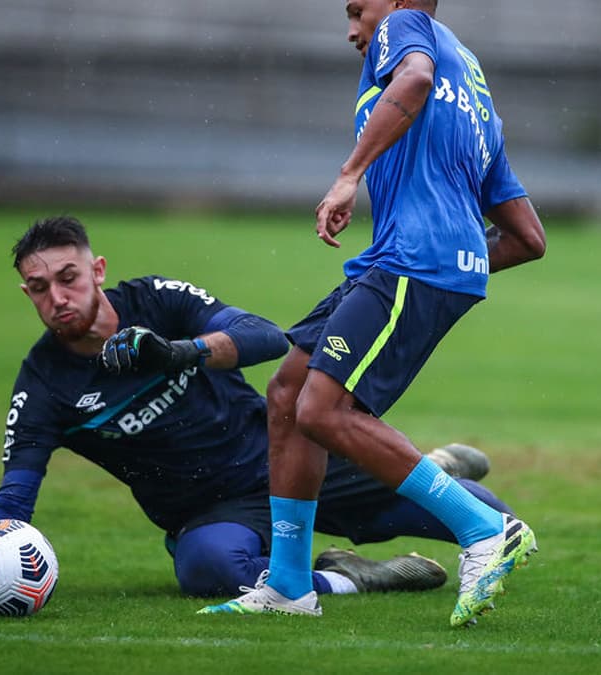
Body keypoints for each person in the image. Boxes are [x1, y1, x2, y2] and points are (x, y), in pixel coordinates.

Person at [0, 215, 514, 600]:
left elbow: (265, 337)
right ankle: (350, 578)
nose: (58, 298)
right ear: (27, 293)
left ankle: (421, 467)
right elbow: (18, 492)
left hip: (289, 460)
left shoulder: (156, 301)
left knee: (492, 516)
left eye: (69, 278)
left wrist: (177, 353)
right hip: (212, 513)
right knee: (209, 570)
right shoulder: (42, 385)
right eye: (40, 288)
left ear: (97, 270)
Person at [198, 0, 546, 627]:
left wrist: (348, 175)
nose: (355, 29)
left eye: (358, 10)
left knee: (323, 411)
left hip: (410, 261)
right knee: (288, 391)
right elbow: (527, 237)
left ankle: (484, 528)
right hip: (404, 261)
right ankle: (288, 584)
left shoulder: (407, 30)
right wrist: (463, 260)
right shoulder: (471, 76)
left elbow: (410, 79)